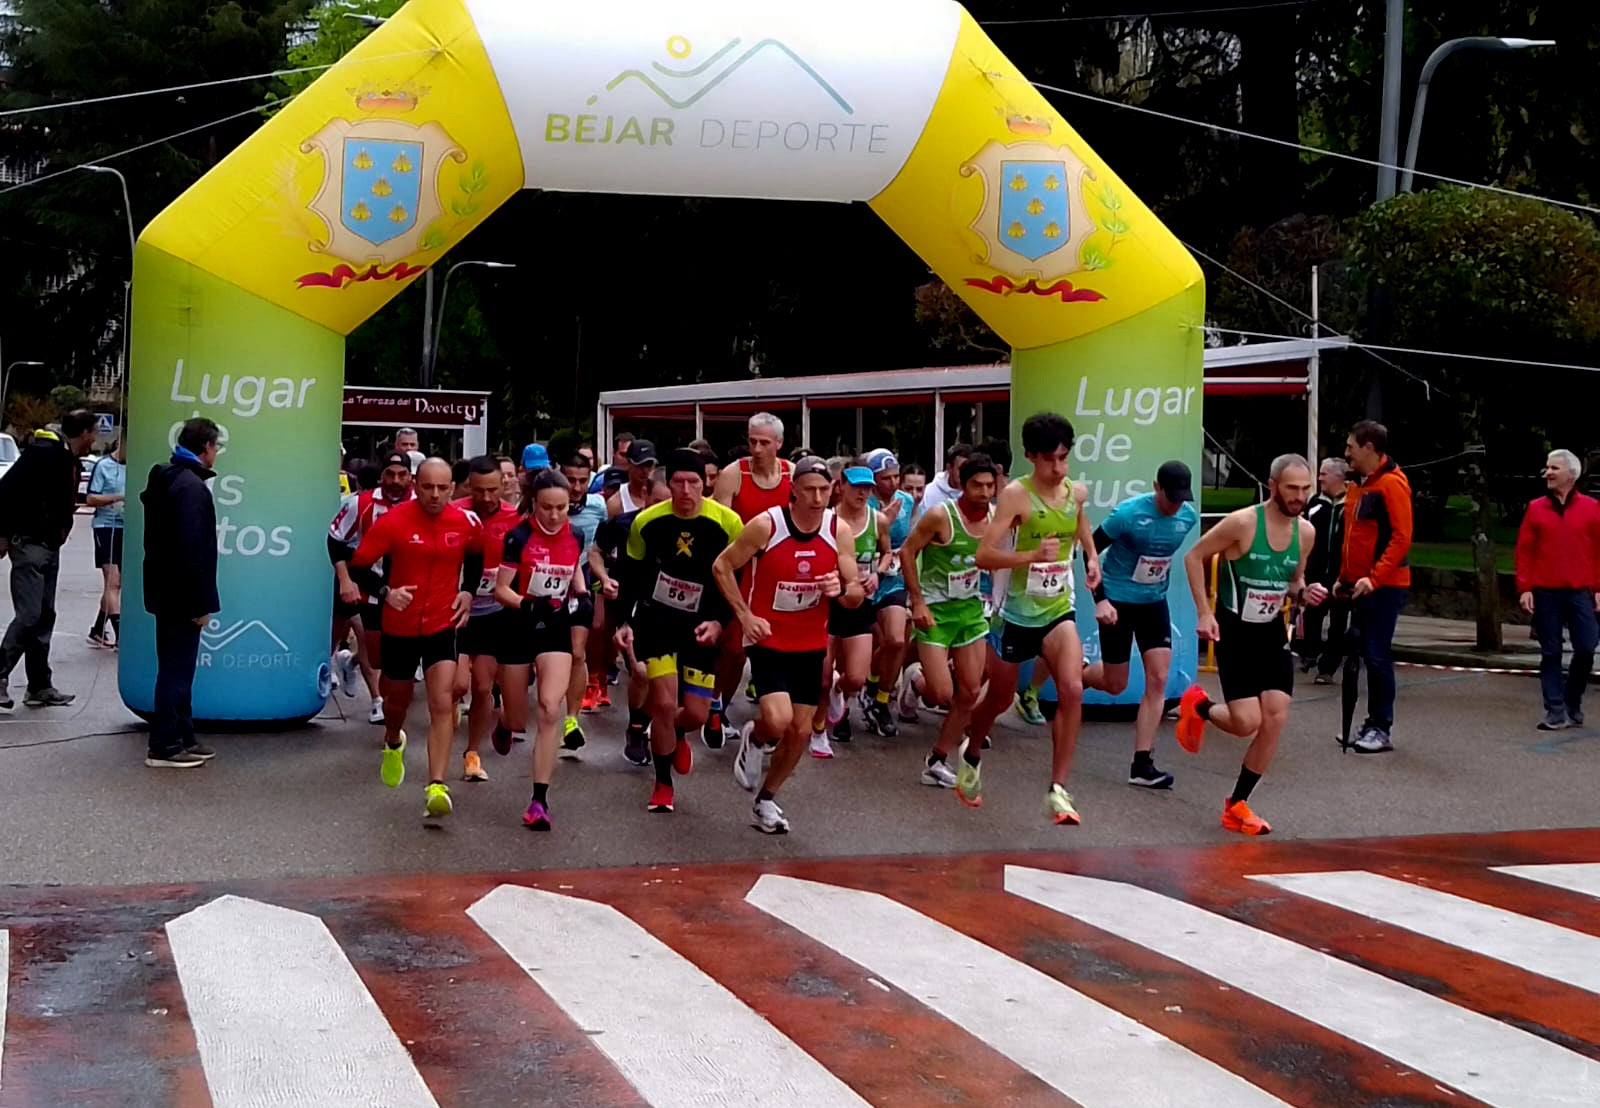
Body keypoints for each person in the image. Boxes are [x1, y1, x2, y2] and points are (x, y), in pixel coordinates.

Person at [713, 456, 864, 833]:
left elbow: (855, 595)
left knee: (799, 730)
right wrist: (745, 616)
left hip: (810, 641)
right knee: (778, 719)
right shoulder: (767, 525)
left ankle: (766, 798)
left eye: (824, 490)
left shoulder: (838, 530)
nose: (817, 497)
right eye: (809, 489)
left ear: (834, 490)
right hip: (767, 636)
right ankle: (756, 734)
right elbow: (721, 566)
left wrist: (842, 589)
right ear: (793, 490)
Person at [1176, 454, 1323, 835]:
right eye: (1292, 488)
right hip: (1235, 632)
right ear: (1272, 485)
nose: (1299, 496)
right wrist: (1204, 613)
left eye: (1306, 489)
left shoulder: (1305, 533)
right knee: (1246, 723)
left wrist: (1306, 592)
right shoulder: (1243, 523)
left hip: (1271, 632)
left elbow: (1293, 581)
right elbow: (1194, 557)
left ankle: (1237, 804)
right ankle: (1201, 706)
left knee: (1275, 717)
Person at [966, 413, 1101, 825]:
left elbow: (1081, 528)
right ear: (1030, 457)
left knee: (1073, 689)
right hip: (1014, 614)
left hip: (1058, 608)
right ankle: (970, 753)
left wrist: (1092, 558)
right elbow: (983, 556)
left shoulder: (1075, 492)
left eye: (1064, 458)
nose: (1058, 468)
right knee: (999, 698)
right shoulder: (1015, 497)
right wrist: (1029, 556)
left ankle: (1058, 789)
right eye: (1049, 460)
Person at [350, 458, 483, 821]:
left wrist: (468, 592)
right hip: (400, 626)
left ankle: (436, 784)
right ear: (415, 486)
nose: (435, 495)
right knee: (398, 700)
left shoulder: (465, 522)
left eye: (443, 488)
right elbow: (358, 565)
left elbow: (475, 556)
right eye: (428, 487)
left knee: (442, 701)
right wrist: (385, 592)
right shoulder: (393, 521)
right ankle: (394, 739)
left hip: (443, 623)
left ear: (453, 489)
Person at [615, 449, 743, 811]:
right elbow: (632, 575)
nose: (686, 490)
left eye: (694, 483)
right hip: (657, 620)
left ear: (706, 484)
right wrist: (624, 620)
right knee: (665, 704)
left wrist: (721, 620)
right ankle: (662, 783)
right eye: (678, 482)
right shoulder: (648, 521)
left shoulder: (728, 523)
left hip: (701, 623)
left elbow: (738, 577)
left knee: (696, 714)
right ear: (667, 483)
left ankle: (680, 734)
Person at [1083, 460, 1200, 790]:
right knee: (1114, 683)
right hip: (1117, 601)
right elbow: (1089, 551)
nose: (1175, 504)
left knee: (1159, 677)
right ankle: (1077, 673)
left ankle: (1142, 763)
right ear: (1155, 487)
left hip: (1153, 602)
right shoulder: (1127, 514)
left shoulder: (1187, 518)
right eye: (1170, 497)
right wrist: (1100, 599)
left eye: (1181, 498)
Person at [492, 469, 587, 830]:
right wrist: (528, 604)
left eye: (562, 508)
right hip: (519, 624)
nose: (554, 515)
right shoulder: (517, 537)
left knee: (549, 708)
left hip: (555, 626)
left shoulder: (575, 534)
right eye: (547, 507)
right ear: (534, 504)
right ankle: (503, 723)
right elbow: (501, 589)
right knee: (518, 721)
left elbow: (573, 571)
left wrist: (580, 594)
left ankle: (539, 800)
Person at [902, 453, 997, 788]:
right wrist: (917, 601)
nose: (984, 492)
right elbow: (907, 552)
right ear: (962, 485)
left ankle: (937, 760)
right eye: (977, 485)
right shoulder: (941, 516)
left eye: (989, 485)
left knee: (970, 691)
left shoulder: (997, 518)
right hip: (936, 611)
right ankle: (916, 681)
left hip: (969, 611)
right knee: (942, 694)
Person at [0, 410, 98, 709]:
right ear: (84, 433)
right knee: (29, 615)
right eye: (94, 431)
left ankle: (39, 684)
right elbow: (5, 491)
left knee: (44, 615)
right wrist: (3, 533)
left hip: (49, 544)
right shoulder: (44, 454)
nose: (96, 437)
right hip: (30, 543)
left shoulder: (66, 457)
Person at [139, 417, 222, 767]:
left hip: (162, 589)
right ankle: (165, 744)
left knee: (177, 668)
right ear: (206, 447)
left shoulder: (167, 477)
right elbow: (191, 551)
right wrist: (199, 603)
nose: (217, 453)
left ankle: (183, 735)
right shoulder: (190, 488)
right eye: (215, 446)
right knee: (176, 670)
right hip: (180, 595)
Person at [709, 412, 794, 746]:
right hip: (741, 567)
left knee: (780, 646)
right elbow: (719, 527)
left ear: (779, 444)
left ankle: (773, 710)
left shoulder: (791, 475)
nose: (756, 449)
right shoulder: (734, 475)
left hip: (780, 572)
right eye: (752, 441)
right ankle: (717, 702)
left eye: (764, 443)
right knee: (733, 649)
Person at [1339, 420, 1412, 754]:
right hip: (1360, 584)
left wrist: (1375, 577)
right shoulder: (1360, 485)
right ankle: (1370, 723)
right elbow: (1353, 539)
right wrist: (1345, 577)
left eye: (1351, 446)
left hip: (1385, 585)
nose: (1346, 453)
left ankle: (1381, 726)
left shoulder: (1392, 485)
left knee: (1377, 654)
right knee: (1360, 652)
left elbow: (1401, 538)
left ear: (1369, 447)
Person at [1515, 448, 1600, 731]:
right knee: (1550, 651)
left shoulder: (1591, 508)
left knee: (1587, 647)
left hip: (1580, 591)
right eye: (1547, 468)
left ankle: (1572, 699)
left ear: (1571, 475)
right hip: (1546, 592)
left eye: (1554, 468)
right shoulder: (1536, 507)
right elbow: (1524, 551)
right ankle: (1554, 709)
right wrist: (1525, 587)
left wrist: (1598, 588)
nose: (1548, 473)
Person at [588, 476, 670, 763]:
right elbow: (595, 552)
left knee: (665, 684)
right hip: (633, 608)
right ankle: (636, 727)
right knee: (642, 671)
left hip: (671, 611)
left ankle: (648, 725)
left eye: (668, 503)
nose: (663, 509)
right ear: (645, 495)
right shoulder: (623, 524)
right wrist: (604, 577)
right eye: (657, 502)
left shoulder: (687, 528)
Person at [329, 451, 414, 724]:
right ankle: (349, 664)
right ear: (382, 476)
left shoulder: (421, 504)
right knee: (377, 656)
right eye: (390, 474)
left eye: (402, 475)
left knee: (397, 660)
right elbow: (334, 540)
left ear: (411, 477)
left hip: (411, 593)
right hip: (368, 588)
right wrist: (345, 579)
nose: (396, 481)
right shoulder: (362, 503)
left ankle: (385, 703)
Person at [451, 455, 521, 783]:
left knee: (481, 686)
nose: (487, 498)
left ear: (504, 485)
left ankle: (472, 753)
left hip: (494, 611)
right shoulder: (455, 512)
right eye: (479, 491)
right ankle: (449, 709)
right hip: (456, 609)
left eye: (493, 490)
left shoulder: (515, 518)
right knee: (457, 684)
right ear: (468, 488)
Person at [813, 462, 888, 753]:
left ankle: (839, 689)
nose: (862, 493)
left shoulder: (878, 519)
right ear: (840, 486)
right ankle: (819, 730)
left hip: (860, 603)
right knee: (821, 674)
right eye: (856, 486)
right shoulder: (826, 520)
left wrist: (877, 574)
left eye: (867, 487)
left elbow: (887, 553)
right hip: (828, 604)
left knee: (856, 677)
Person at [861, 449, 916, 735]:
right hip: (865, 578)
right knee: (870, 645)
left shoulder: (907, 501)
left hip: (893, 579)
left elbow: (908, 541)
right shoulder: (862, 500)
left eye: (896, 476)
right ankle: (862, 683)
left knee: (896, 640)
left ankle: (880, 698)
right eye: (886, 478)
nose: (893, 483)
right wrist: (882, 521)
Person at [560, 451, 608, 748]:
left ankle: (571, 719)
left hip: (581, 583)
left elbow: (604, 546)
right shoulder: (541, 503)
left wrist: (602, 586)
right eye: (570, 479)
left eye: (582, 480)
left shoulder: (598, 506)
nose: (576, 487)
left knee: (578, 653)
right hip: (542, 588)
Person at [1297, 457, 1348, 683]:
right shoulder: (1315, 504)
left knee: (1338, 622)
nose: (1319, 478)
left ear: (1339, 477)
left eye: (1324, 474)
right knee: (1312, 614)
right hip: (1316, 571)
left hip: (1343, 573)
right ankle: (1310, 652)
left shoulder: (1352, 505)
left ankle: (1327, 669)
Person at [86, 438, 128, 649]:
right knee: (113, 582)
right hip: (106, 527)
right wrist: (118, 497)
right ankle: (121, 634)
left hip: (126, 527)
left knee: (116, 585)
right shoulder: (104, 466)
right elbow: (91, 498)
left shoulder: (135, 466)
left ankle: (97, 627)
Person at [607, 438, 659, 518]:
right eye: (640, 465)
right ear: (628, 464)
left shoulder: (664, 497)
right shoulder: (616, 503)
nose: (645, 471)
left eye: (649, 464)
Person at [920, 444, 972, 518]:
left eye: (969, 469)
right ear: (949, 468)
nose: (965, 473)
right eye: (961, 469)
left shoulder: (976, 491)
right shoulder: (929, 493)